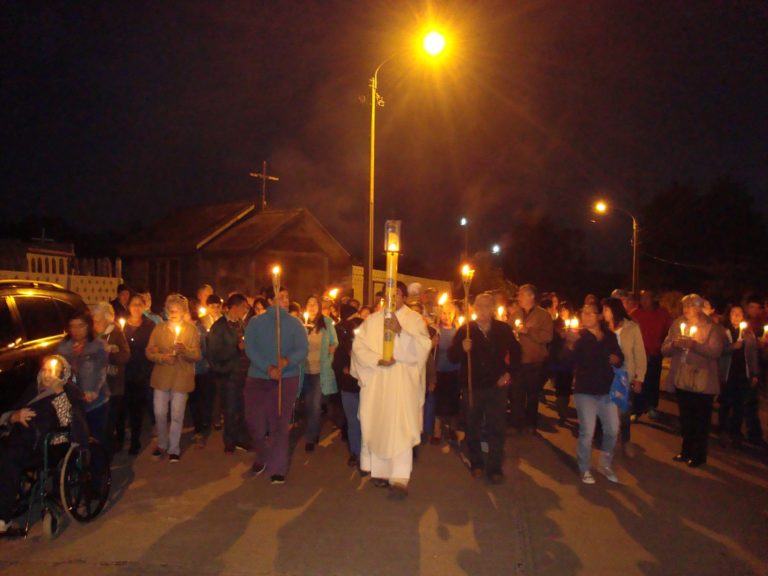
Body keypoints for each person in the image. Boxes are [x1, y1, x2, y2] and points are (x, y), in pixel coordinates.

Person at [351, 281, 432, 498]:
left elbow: (423, 348)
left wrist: (401, 332)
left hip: (402, 384)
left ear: (404, 297)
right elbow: (358, 349)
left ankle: (400, 477)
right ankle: (381, 472)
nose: (392, 298)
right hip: (377, 381)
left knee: (401, 426)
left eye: (396, 294)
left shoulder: (413, 320)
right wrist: (377, 360)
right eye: (388, 294)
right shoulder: (372, 320)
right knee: (379, 422)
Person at [0, 356, 89, 538]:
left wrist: (59, 395)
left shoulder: (69, 391)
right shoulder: (33, 390)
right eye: (46, 370)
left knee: (9, 459)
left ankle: (3, 520)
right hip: (21, 440)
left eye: (54, 371)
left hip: (48, 446)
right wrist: (14, 416)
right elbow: (11, 413)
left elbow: (71, 424)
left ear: (63, 374)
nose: (49, 375)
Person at [449, 293, 521, 483]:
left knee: (496, 427)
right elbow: (452, 357)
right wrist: (461, 349)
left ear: (493, 309)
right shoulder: (466, 331)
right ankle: (477, 463)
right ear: (473, 309)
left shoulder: (503, 329)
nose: (482, 310)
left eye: (487, 306)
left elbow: (516, 352)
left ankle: (495, 467)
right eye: (479, 306)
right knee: (472, 426)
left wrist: (509, 373)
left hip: (496, 386)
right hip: (473, 386)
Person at [244, 284, 308, 484]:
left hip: (286, 379)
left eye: (287, 297)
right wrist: (268, 368)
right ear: (270, 301)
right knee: (255, 422)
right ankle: (262, 454)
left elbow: (302, 348)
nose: (285, 301)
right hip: (258, 377)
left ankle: (278, 467)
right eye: (280, 297)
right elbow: (250, 348)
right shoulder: (256, 323)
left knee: (280, 422)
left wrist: (287, 361)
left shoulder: (295, 324)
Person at [561, 304, 624, 484]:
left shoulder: (610, 336)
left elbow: (619, 357)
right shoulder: (580, 337)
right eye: (583, 313)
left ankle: (605, 464)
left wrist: (617, 359)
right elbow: (565, 362)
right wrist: (570, 345)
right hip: (585, 390)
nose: (585, 316)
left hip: (606, 390)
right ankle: (584, 467)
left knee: (612, 429)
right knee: (587, 431)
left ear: (599, 317)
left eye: (589, 313)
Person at [662, 294, 724, 467]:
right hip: (682, 378)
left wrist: (694, 346)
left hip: (702, 381)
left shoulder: (711, 327)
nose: (686, 309)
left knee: (700, 420)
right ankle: (685, 450)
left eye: (690, 305)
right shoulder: (677, 324)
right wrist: (674, 345)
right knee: (686, 418)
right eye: (685, 306)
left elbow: (716, 351)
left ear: (699, 307)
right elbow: (664, 348)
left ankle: (698, 455)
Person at [146, 294, 201, 462]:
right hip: (162, 377)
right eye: (170, 309)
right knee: (160, 412)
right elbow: (149, 351)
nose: (173, 312)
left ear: (184, 311)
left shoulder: (190, 330)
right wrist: (162, 357)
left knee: (177, 414)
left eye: (177, 310)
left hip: (181, 377)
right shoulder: (159, 328)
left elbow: (197, 355)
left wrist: (184, 350)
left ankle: (174, 448)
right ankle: (162, 442)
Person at [56, 310, 110, 448]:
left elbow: (101, 370)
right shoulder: (63, 347)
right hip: (72, 402)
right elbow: (58, 372)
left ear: (88, 326)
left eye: (81, 326)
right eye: (72, 326)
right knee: (77, 442)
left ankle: (99, 467)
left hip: (95, 400)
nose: (76, 330)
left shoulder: (98, 345)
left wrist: (93, 391)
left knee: (97, 440)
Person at [208, 293, 252, 453]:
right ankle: (229, 441)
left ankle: (241, 438)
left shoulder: (241, 324)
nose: (245, 310)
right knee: (231, 409)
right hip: (228, 374)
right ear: (235, 307)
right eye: (243, 307)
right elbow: (214, 353)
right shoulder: (219, 327)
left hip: (243, 373)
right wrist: (236, 348)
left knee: (242, 408)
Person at [603, 297, 647, 458]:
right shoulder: (603, 328)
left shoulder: (632, 328)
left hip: (624, 374)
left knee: (624, 411)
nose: (604, 313)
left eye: (606, 310)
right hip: (605, 375)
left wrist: (639, 378)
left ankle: (626, 440)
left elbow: (640, 354)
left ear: (614, 310)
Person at [509, 284, 553, 434]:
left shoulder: (543, 316)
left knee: (532, 395)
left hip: (534, 362)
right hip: (518, 361)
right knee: (516, 394)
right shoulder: (515, 314)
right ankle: (516, 424)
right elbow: (508, 333)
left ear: (531, 296)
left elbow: (547, 337)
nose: (518, 297)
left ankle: (531, 424)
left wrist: (529, 331)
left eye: (521, 294)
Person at [718, 305, 761, 448]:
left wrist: (754, 373)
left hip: (743, 374)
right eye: (733, 313)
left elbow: (753, 354)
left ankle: (735, 432)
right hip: (728, 373)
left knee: (739, 405)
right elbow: (718, 351)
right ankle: (722, 429)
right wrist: (731, 347)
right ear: (729, 315)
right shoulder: (723, 332)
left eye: (739, 313)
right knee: (725, 402)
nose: (736, 316)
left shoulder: (748, 333)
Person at [301, 295, 338, 452]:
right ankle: (311, 427)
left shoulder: (327, 322)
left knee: (314, 404)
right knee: (306, 403)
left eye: (315, 303)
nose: (312, 306)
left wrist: (330, 356)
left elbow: (334, 342)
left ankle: (311, 436)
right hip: (303, 369)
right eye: (309, 303)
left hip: (319, 369)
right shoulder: (302, 324)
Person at [92, 302, 131, 454]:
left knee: (110, 421)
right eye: (93, 319)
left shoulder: (116, 333)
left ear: (107, 320)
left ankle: (108, 451)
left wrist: (113, 352)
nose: (94, 323)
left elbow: (126, 356)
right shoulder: (91, 334)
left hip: (113, 386)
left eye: (97, 320)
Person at [631, 290, 672, 421]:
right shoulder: (635, 314)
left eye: (647, 298)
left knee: (653, 381)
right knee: (639, 382)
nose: (644, 301)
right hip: (639, 355)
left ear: (653, 299)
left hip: (655, 354)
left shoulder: (662, 314)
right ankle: (636, 409)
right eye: (642, 298)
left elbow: (670, 331)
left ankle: (652, 406)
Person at [123, 293, 155, 455]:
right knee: (123, 408)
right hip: (124, 371)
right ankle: (120, 438)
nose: (136, 307)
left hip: (142, 371)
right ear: (128, 307)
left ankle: (135, 440)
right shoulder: (121, 326)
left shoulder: (149, 326)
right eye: (133, 304)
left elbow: (153, 347)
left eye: (139, 304)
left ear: (144, 307)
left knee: (136, 408)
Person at [333, 315, 365, 469]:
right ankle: (355, 452)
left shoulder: (367, 346)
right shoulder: (342, 347)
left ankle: (367, 452)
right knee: (353, 421)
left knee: (365, 422)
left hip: (364, 389)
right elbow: (339, 367)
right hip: (348, 390)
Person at [433, 302, 462, 444]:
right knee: (439, 401)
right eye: (444, 313)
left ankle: (452, 428)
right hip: (439, 370)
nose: (446, 316)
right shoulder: (436, 331)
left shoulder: (459, 331)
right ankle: (437, 430)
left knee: (453, 401)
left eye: (449, 313)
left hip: (454, 370)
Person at [549, 302, 575, 426]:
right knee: (560, 385)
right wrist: (560, 335)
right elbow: (551, 340)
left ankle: (564, 406)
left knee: (567, 385)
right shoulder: (555, 324)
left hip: (569, 359)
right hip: (558, 358)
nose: (564, 312)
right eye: (562, 309)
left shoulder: (575, 323)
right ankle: (561, 412)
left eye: (566, 310)